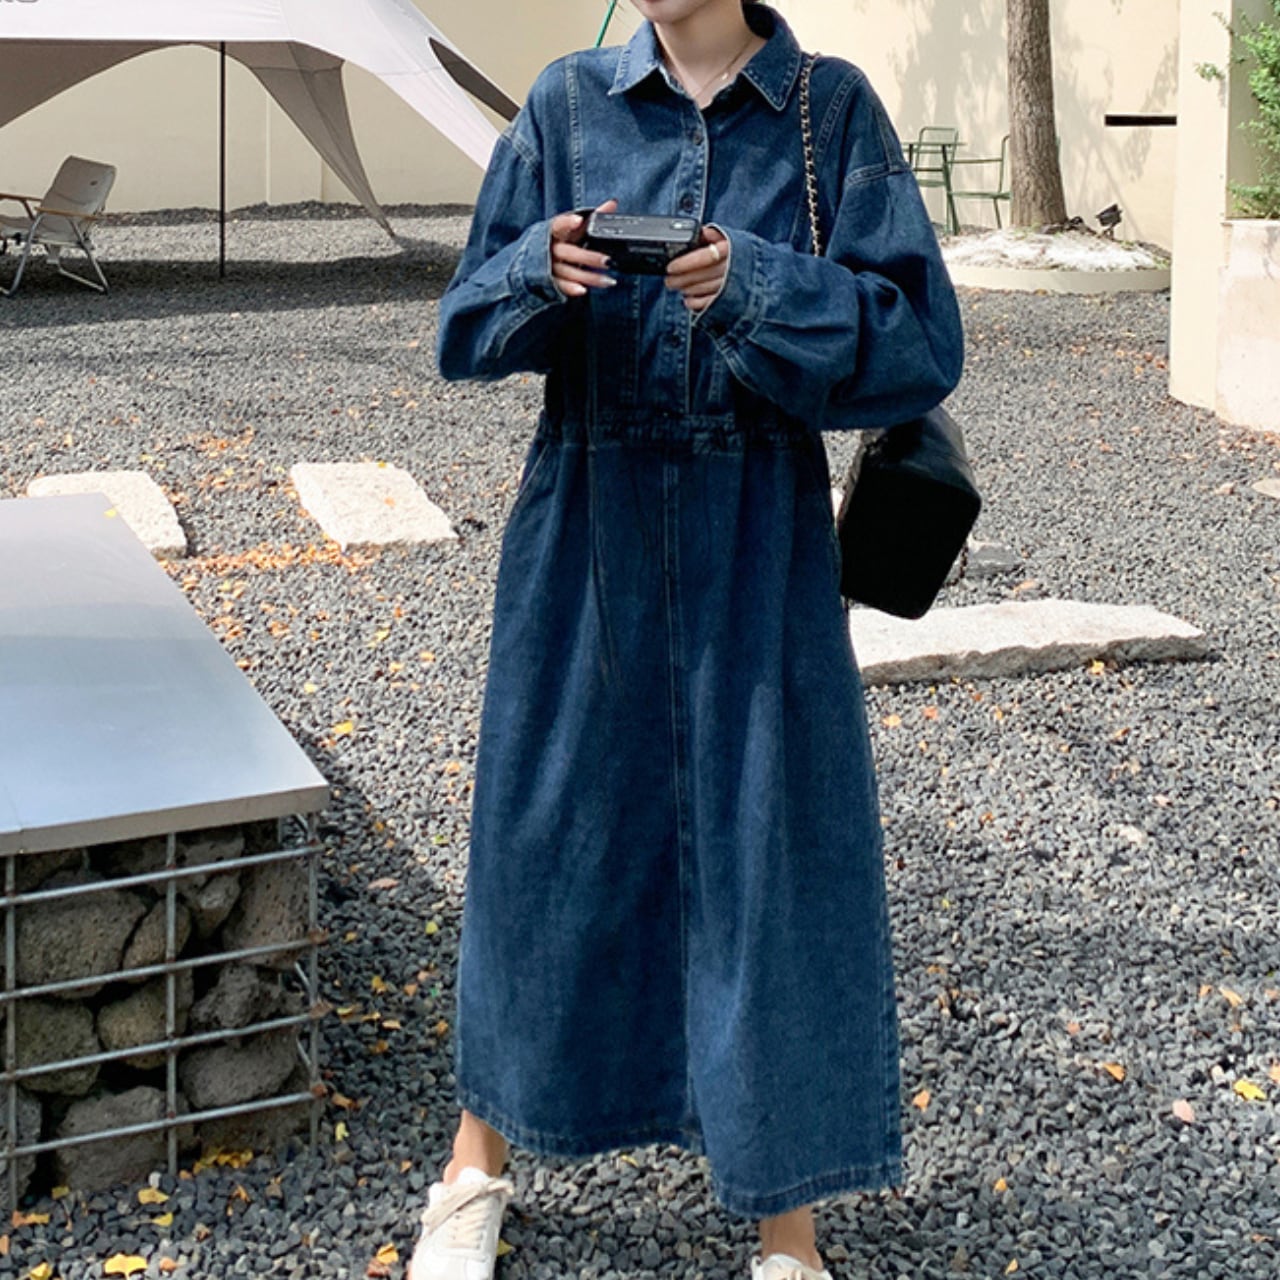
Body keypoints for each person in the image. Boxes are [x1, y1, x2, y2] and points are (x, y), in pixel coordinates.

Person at [416, 2, 963, 1277]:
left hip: (758, 530)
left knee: (770, 858)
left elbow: (921, 343)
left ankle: (788, 1228)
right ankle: (471, 1165)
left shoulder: (828, 109)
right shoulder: (565, 103)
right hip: (584, 521)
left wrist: (752, 285)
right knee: (538, 843)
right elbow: (460, 332)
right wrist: (537, 270)